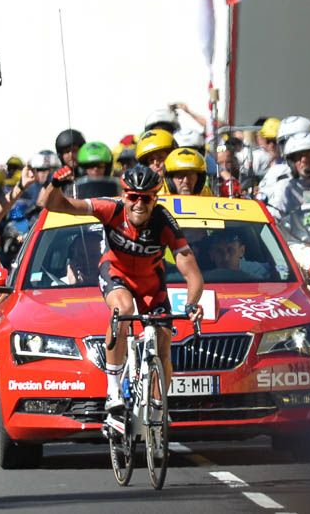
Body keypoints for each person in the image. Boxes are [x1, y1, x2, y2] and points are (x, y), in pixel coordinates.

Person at [38, 165, 204, 412]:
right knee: (123, 310)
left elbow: (193, 274)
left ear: (154, 199)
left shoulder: (164, 221)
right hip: (116, 275)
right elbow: (54, 205)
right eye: (133, 197)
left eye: (146, 198)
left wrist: (191, 303)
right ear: (124, 195)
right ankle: (113, 389)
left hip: (151, 283)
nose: (139, 203)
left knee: (163, 341)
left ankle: (158, 406)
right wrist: (55, 183)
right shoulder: (110, 208)